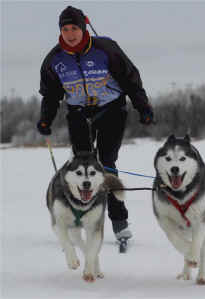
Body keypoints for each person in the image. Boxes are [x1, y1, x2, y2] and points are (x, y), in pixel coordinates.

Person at [37, 6, 154, 241]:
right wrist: (45, 119)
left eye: (74, 28)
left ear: (83, 27)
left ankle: (119, 222)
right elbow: (51, 95)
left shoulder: (105, 49)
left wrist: (143, 107)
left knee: (107, 162)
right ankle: (82, 216)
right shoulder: (54, 59)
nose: (70, 34)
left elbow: (131, 79)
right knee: (83, 163)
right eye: (65, 29)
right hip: (79, 112)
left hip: (111, 109)